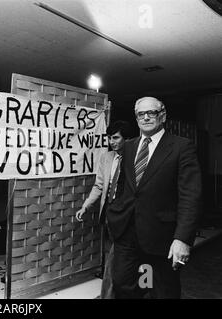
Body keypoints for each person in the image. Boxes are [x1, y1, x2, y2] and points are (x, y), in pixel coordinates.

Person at [107, 97, 202, 299]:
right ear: (136, 118)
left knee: (161, 290)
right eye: (141, 114)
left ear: (163, 116)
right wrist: (114, 213)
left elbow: (190, 197)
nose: (146, 117)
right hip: (127, 233)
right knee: (123, 285)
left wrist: (182, 239)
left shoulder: (181, 147)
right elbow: (124, 186)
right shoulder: (129, 146)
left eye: (152, 113)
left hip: (161, 237)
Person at [75, 120, 130, 299]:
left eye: (115, 138)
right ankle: (110, 293)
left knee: (119, 259)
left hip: (128, 216)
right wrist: (86, 205)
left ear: (126, 139)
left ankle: (110, 294)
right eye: (109, 138)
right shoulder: (106, 158)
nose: (111, 142)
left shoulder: (135, 157)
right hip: (109, 214)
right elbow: (99, 186)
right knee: (111, 257)